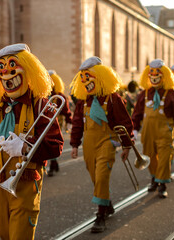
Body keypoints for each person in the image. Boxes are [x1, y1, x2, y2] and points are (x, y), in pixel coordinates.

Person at [0, 44, 64, 240]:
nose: (7, 72)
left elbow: (56, 144)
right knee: (3, 232)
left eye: (13, 65)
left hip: (25, 181)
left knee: (20, 234)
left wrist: (25, 147)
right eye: (2, 67)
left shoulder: (41, 103)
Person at [70, 56, 132, 233]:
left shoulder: (113, 99)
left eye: (88, 76)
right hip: (89, 144)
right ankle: (106, 202)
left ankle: (100, 215)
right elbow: (77, 124)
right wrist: (74, 144)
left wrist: (127, 145)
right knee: (95, 177)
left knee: (102, 176)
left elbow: (125, 123)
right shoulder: (83, 101)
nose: (85, 81)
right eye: (83, 78)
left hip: (107, 142)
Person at [132, 59, 174, 199]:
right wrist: (135, 130)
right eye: (151, 74)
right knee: (149, 156)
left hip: (164, 131)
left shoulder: (172, 94)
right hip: (148, 133)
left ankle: (162, 184)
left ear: (164, 76)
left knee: (164, 158)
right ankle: (154, 178)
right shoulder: (143, 94)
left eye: (157, 74)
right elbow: (137, 113)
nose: (154, 76)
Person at [47, 70, 72, 177]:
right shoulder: (42, 94)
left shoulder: (59, 95)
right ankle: (53, 163)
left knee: (52, 141)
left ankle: (53, 163)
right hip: (44, 122)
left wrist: (69, 121)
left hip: (56, 122)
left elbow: (66, 110)